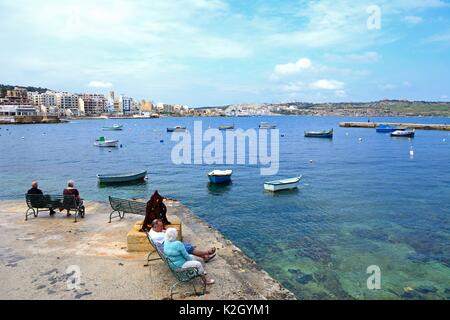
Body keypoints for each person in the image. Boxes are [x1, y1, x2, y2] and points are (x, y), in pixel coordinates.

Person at [149, 219, 216, 262]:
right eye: (160, 226)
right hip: (170, 251)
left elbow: (166, 232)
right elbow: (172, 236)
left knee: (187, 246)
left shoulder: (152, 230)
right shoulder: (157, 236)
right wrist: (167, 231)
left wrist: (164, 231)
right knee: (189, 248)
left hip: (168, 247)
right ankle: (207, 252)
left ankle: (205, 257)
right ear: (155, 226)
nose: (162, 227)